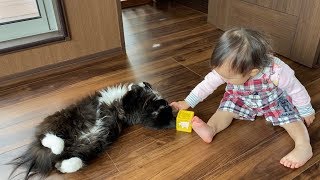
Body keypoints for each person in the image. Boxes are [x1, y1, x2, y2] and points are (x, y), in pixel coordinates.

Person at [170, 28, 315, 169]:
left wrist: (306, 110)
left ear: (253, 72)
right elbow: (206, 85)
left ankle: (303, 146)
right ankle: (211, 129)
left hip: (273, 101)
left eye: (228, 78)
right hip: (239, 98)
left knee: (292, 120)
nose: (222, 79)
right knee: (224, 111)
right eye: (220, 74)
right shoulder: (225, 68)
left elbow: (296, 89)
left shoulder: (276, 70)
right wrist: (187, 102)